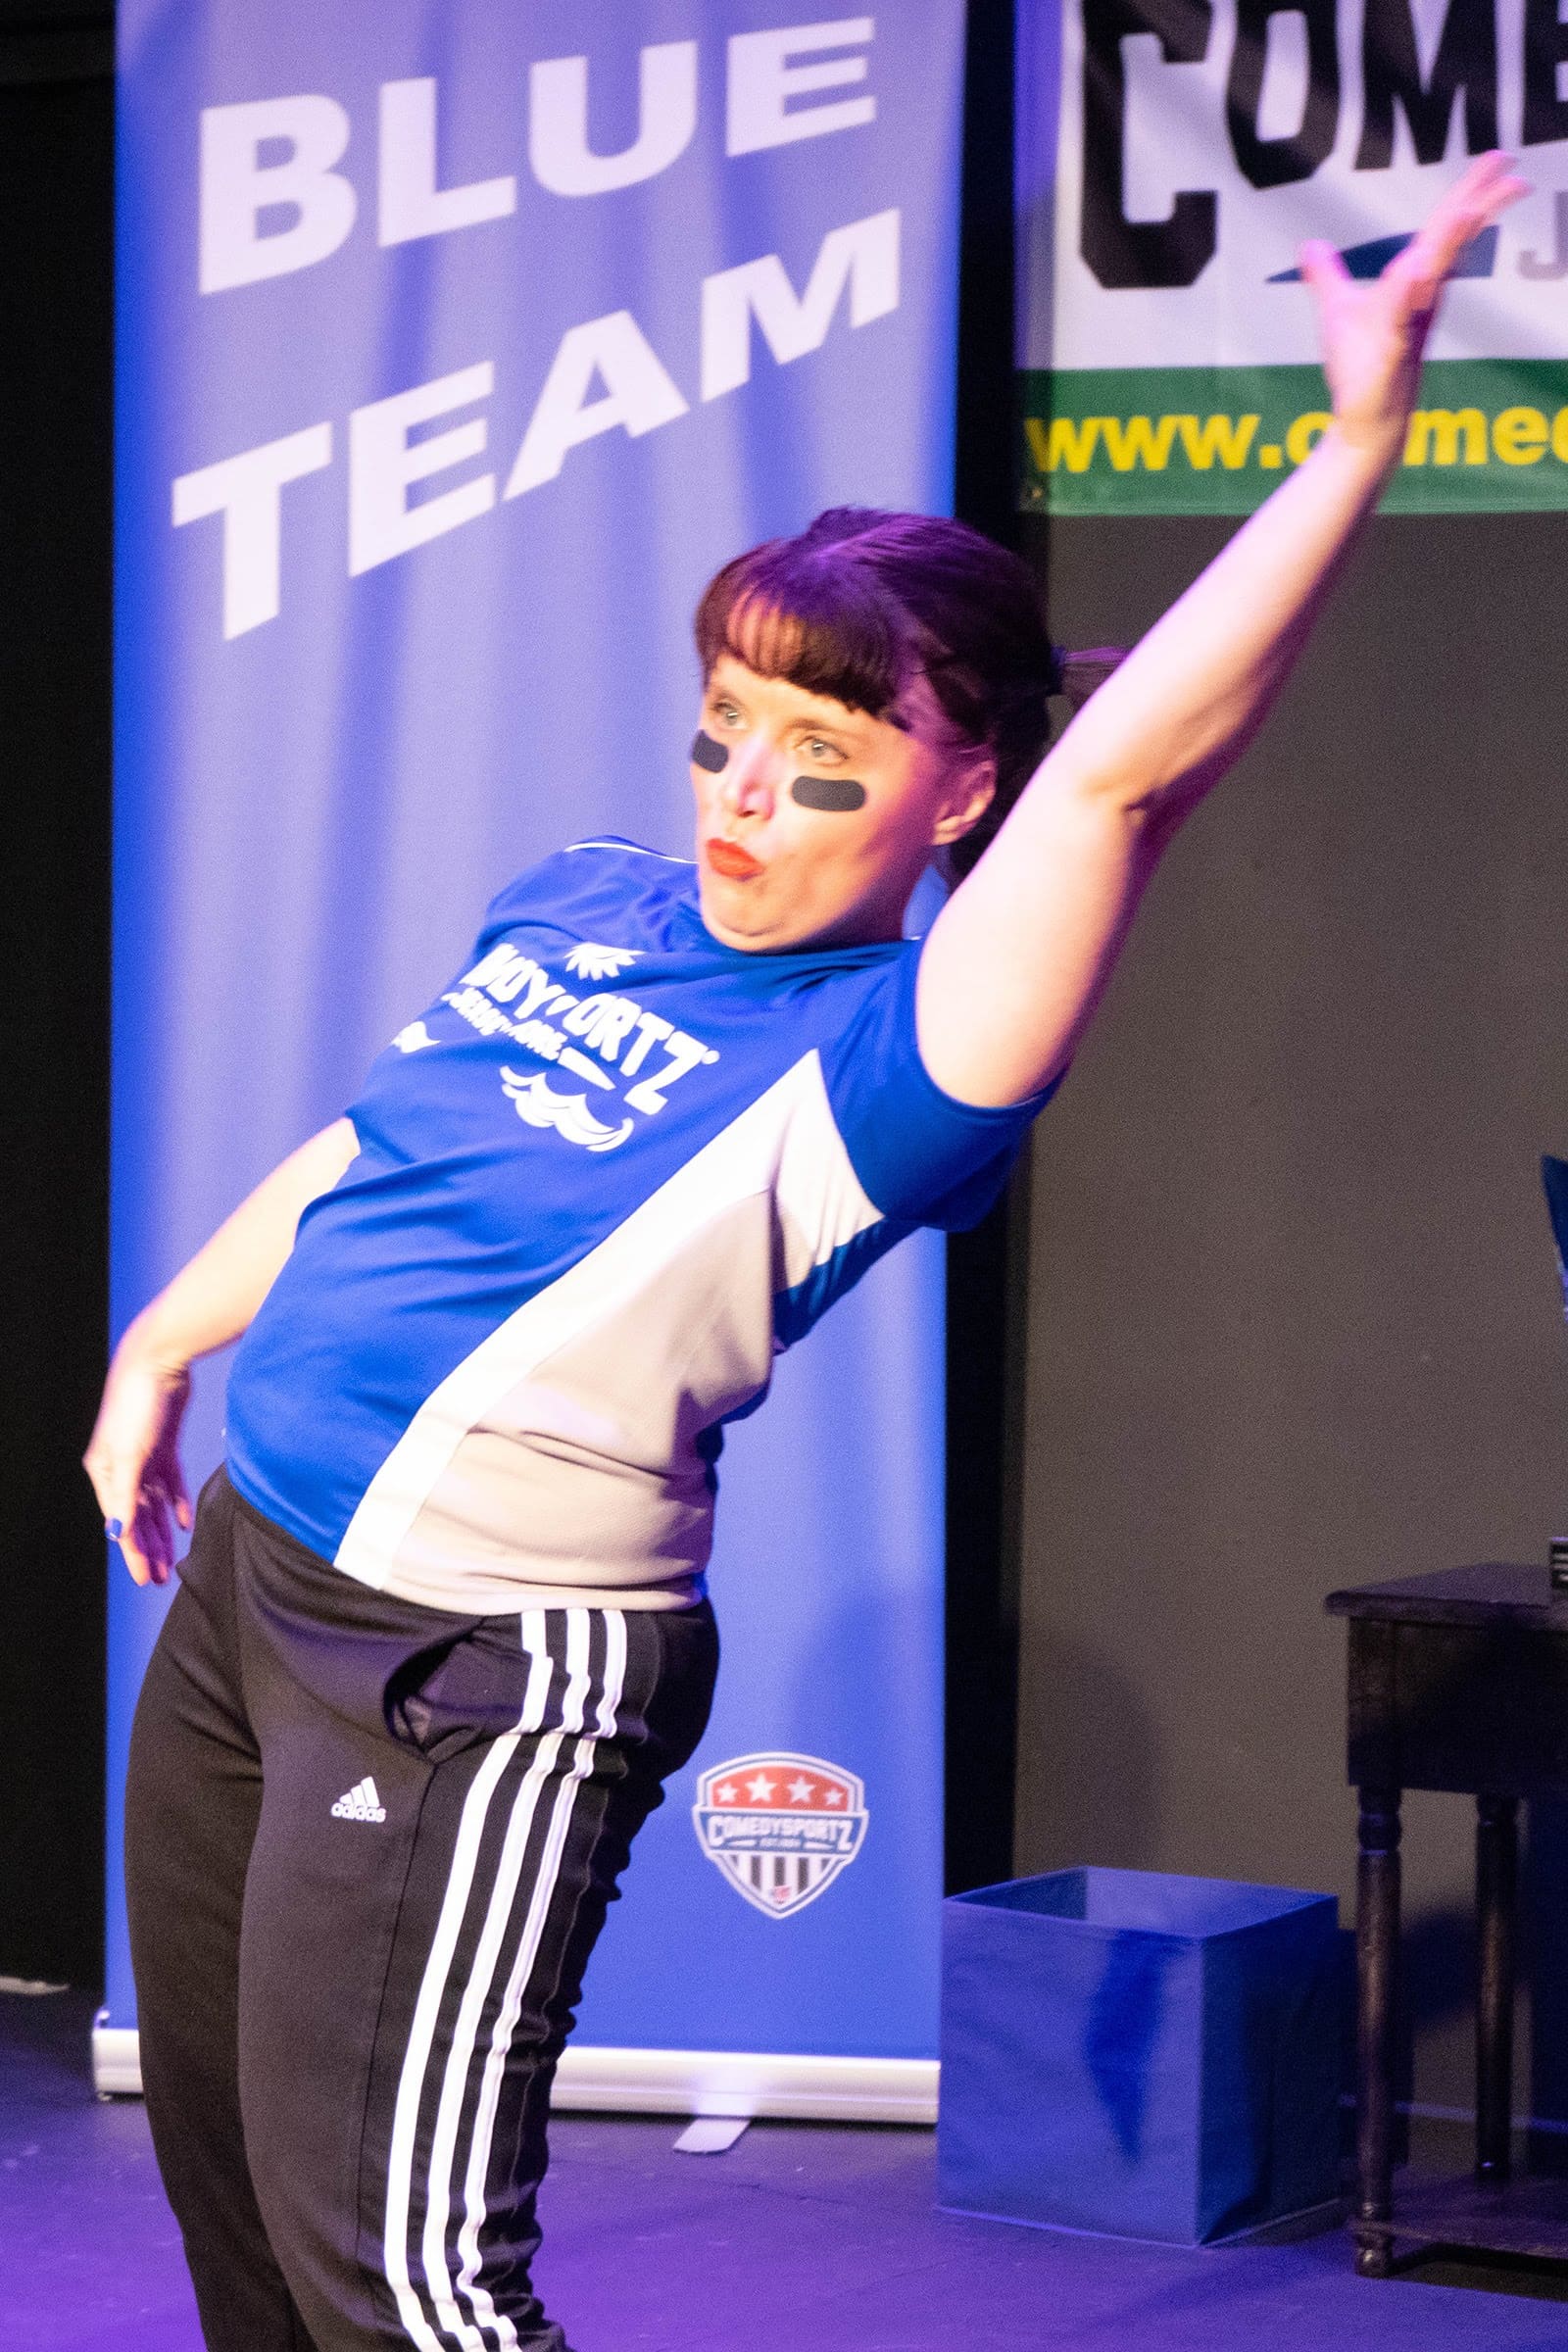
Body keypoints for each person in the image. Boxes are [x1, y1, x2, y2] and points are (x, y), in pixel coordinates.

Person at [85, 155, 1523, 2352]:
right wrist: (163, 1342)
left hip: (475, 1664)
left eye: (823, 755)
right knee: (243, 2233)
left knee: (404, 2291)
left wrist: (1352, 439)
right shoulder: (589, 898)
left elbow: (1125, 783)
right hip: (254, 1588)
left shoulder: (895, 1063)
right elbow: (384, 1153)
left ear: (960, 794)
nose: (741, 792)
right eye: (727, 726)